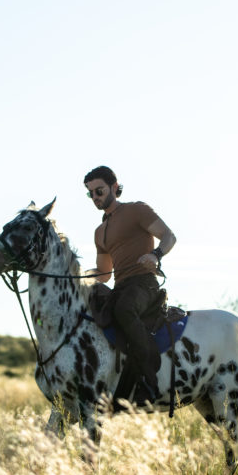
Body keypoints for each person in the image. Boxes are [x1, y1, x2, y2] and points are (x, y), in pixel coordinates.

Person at [83, 165, 176, 403]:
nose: (95, 197)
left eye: (99, 191)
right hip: (121, 287)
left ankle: (148, 379)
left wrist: (155, 255)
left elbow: (169, 236)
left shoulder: (136, 210)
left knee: (123, 309)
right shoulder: (99, 231)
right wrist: (79, 274)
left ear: (114, 187)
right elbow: (104, 274)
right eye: (91, 193)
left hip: (145, 284)